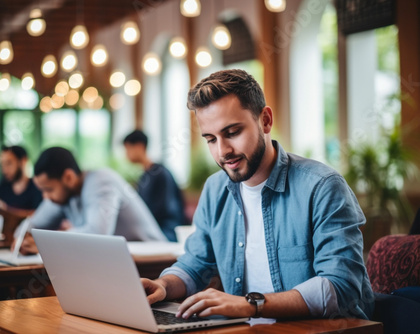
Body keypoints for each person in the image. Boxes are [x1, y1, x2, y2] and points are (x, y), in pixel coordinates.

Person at [142, 69, 374, 320]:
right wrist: (163, 285)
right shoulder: (214, 189)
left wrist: (250, 305)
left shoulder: (322, 187)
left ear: (265, 120)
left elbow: (340, 287)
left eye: (232, 133)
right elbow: (195, 264)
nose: (223, 151)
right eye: (211, 139)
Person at [16, 147, 167, 254]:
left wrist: (46, 243)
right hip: (117, 260)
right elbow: (32, 225)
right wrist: (22, 240)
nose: (45, 197)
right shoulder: (62, 196)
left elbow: (97, 235)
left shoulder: (101, 181)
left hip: (153, 260)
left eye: (48, 190)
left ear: (68, 177)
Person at [123, 130, 187, 241]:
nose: (126, 155)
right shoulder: (145, 176)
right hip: (152, 230)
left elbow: (166, 209)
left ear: (139, 146)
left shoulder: (159, 173)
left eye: (128, 149)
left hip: (166, 232)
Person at [0, 145, 42, 218]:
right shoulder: (2, 187)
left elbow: (39, 215)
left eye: (9, 163)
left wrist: (7, 210)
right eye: (2, 165)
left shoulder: (38, 187)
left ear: (23, 161)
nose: (4, 170)